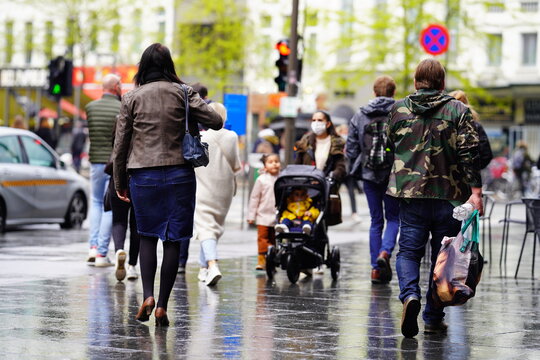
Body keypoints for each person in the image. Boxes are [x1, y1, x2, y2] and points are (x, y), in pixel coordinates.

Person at [113, 43, 222, 326]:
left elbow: (121, 145)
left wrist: (120, 182)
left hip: (143, 176)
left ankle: (147, 296)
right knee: (174, 239)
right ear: (169, 65)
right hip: (179, 174)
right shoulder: (184, 92)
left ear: (143, 66)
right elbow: (216, 121)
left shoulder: (131, 97)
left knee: (147, 235)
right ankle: (162, 305)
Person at [387, 59, 483, 338]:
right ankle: (432, 316)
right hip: (449, 196)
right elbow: (469, 154)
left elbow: (389, 145)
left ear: (416, 82)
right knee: (443, 255)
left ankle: (409, 296)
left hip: (411, 194)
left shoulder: (398, 109)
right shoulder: (458, 110)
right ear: (442, 82)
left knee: (408, 251)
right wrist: (476, 192)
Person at [347, 75, 400, 285]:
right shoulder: (401, 111)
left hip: (369, 173)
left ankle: (375, 270)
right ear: (393, 92)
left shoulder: (360, 114)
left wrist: (356, 166)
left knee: (376, 220)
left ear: (374, 92)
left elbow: (351, 147)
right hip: (394, 174)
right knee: (394, 218)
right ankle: (385, 252)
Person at [191, 101, 241, 286]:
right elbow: (237, 166)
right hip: (225, 190)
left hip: (203, 188)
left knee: (205, 228)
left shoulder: (201, 137)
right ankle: (203, 268)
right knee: (214, 228)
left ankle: (213, 265)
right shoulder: (232, 136)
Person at [85, 74, 122, 267]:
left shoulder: (90, 107)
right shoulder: (121, 107)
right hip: (113, 163)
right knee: (110, 206)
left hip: (95, 161)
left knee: (96, 201)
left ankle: (92, 246)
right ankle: (101, 253)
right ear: (116, 86)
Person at [247, 153, 281, 270]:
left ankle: (272, 261)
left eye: (276, 161)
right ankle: (261, 260)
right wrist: (251, 215)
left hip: (277, 216)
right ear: (265, 166)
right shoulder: (261, 180)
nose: (274, 164)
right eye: (270, 162)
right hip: (262, 215)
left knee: (273, 238)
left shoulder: (282, 179)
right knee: (262, 238)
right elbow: (254, 198)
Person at [295, 110, 346, 184]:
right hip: (306, 186)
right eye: (313, 120)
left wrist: (333, 175)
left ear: (328, 124)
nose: (316, 123)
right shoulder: (305, 141)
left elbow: (340, 166)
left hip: (327, 186)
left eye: (320, 120)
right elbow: (298, 164)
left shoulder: (337, 143)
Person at [448, 90, 493, 171]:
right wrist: (473, 169)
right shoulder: (475, 125)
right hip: (469, 179)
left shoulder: (443, 125)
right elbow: (486, 155)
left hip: (446, 177)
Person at [336, 123, 363, 223]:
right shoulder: (337, 141)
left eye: (346, 131)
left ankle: (354, 213)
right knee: (335, 193)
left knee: (351, 193)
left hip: (349, 171)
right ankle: (335, 213)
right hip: (339, 171)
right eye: (343, 130)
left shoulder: (351, 142)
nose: (345, 132)